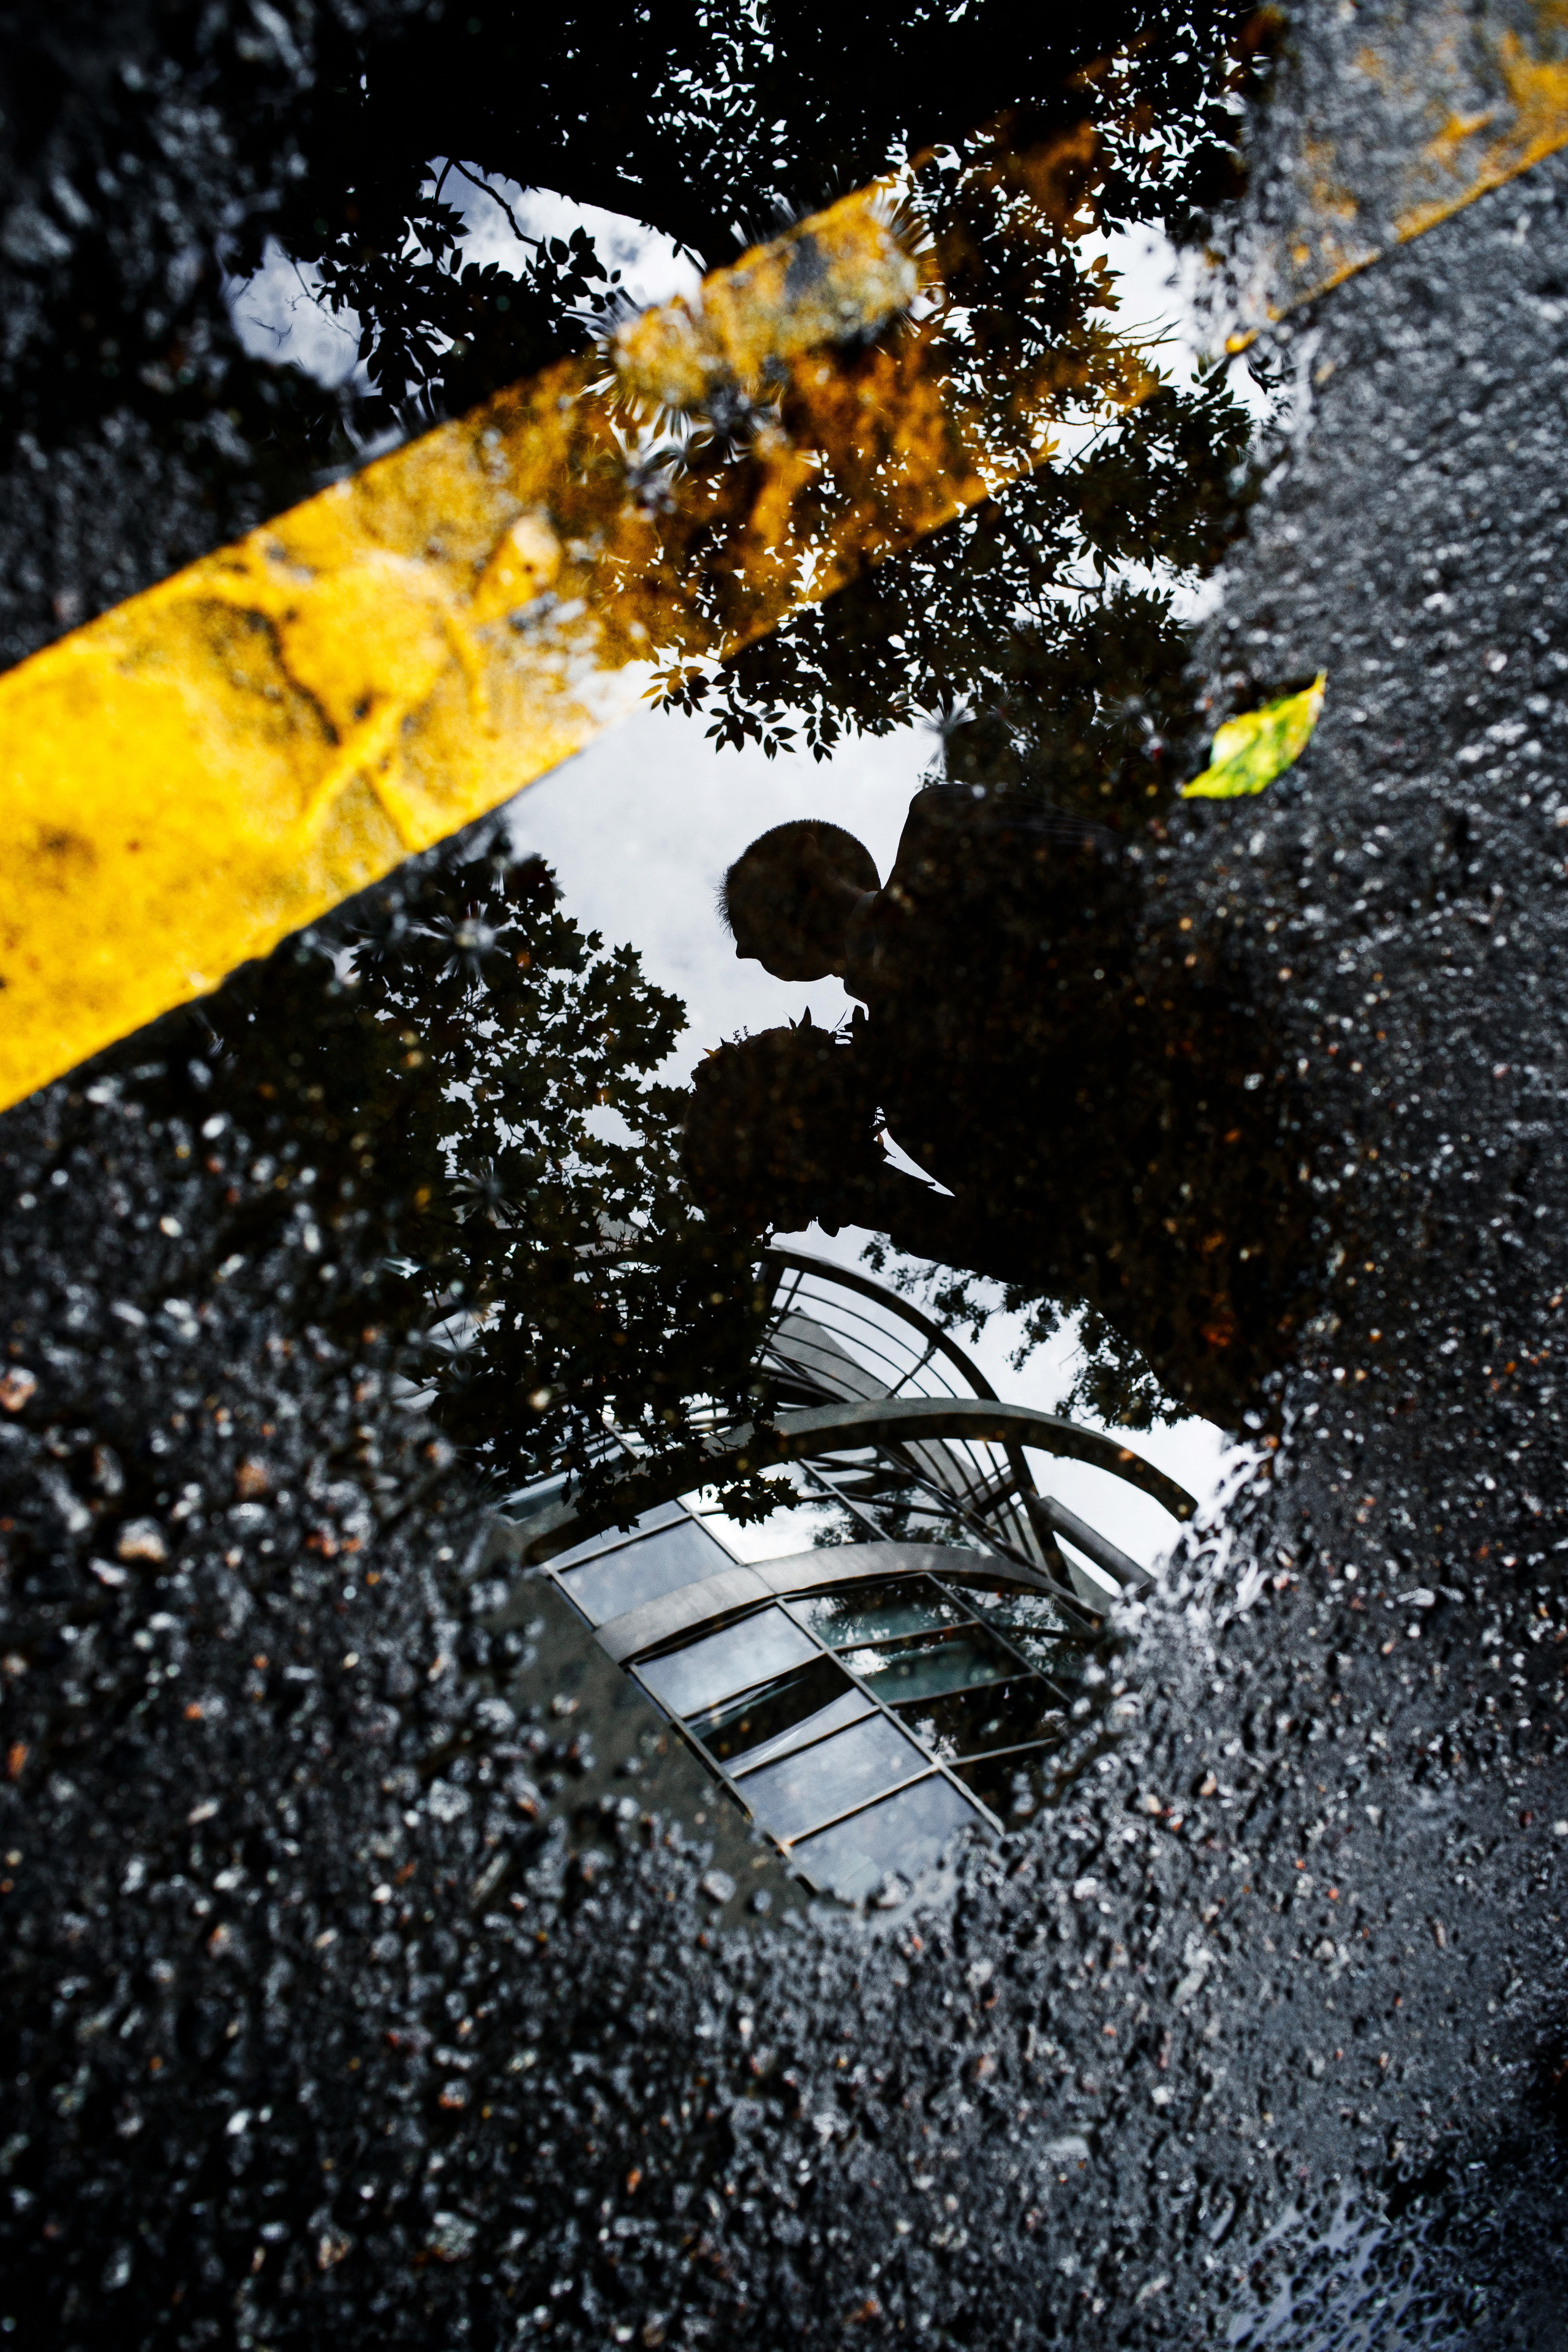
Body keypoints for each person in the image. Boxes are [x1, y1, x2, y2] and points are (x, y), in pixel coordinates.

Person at [687, 783, 1323, 1428]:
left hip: (1293, 1127)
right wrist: (860, 1194)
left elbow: (1149, 887)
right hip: (1236, 1315)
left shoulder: (945, 834)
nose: (743, 951)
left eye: (747, 914)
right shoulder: (911, 1103)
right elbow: (1060, 1252)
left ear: (810, 854)